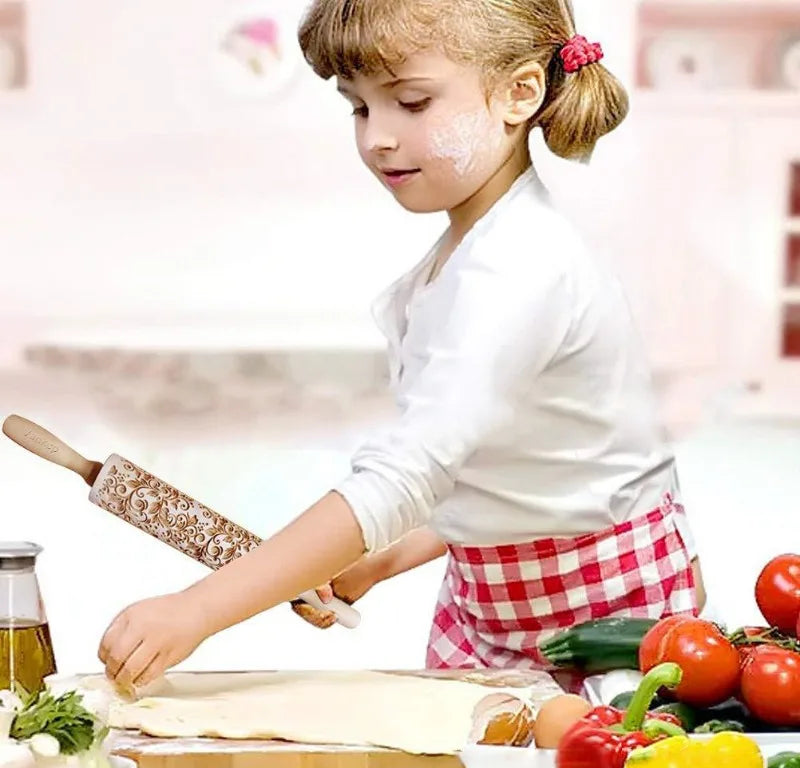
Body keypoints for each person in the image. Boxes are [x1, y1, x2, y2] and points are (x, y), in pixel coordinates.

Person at [98, 0, 707, 688]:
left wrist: (196, 610)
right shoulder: (470, 251)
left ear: (521, 93)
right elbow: (504, 468)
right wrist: (379, 558)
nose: (376, 139)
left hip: (605, 613)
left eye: (411, 103)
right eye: (358, 108)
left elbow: (410, 471)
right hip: (496, 604)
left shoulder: (520, 269)